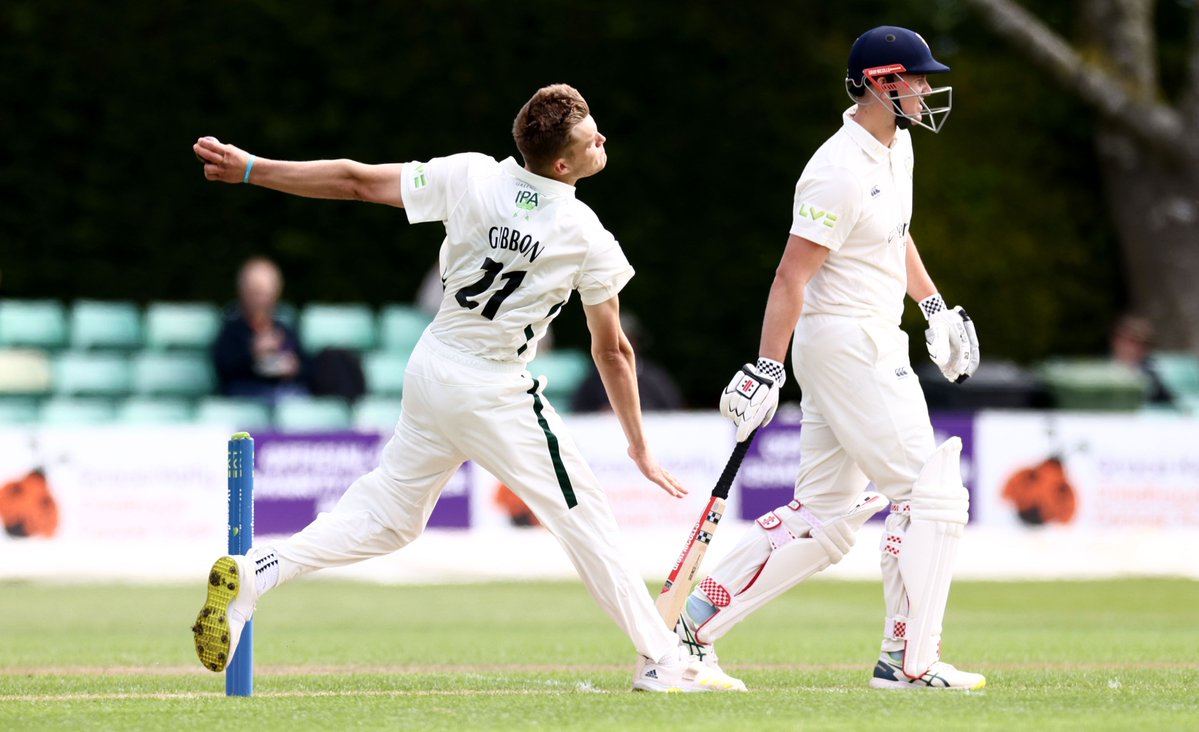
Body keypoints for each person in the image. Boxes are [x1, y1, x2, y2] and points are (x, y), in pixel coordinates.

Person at [189, 84, 745, 693]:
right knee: (585, 518)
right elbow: (613, 349)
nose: (603, 138)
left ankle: (256, 573)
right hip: (495, 386)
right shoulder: (586, 233)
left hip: (432, 368)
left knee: (389, 519)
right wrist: (639, 446)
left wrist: (250, 169)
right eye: (592, 135)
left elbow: (353, 180)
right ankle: (664, 661)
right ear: (562, 165)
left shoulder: (471, 175)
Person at [673, 27, 986, 691]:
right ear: (881, 82)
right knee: (928, 498)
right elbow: (791, 275)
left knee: (823, 517)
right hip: (847, 343)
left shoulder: (894, 148)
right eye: (918, 79)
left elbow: (893, 236)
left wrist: (932, 307)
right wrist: (765, 365)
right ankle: (907, 662)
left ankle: (690, 628)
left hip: (866, 338)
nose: (928, 91)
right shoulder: (835, 170)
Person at [211, 256, 309, 404]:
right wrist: (252, 353)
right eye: (255, 292)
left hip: (285, 395)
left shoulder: (284, 328)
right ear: (243, 292)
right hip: (245, 396)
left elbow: (306, 368)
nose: (260, 299)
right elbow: (224, 368)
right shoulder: (233, 328)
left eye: (264, 292)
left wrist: (294, 366)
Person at [571, 311, 683, 412]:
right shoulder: (593, 381)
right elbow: (580, 414)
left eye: (625, 339)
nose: (617, 346)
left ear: (635, 341)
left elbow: (673, 411)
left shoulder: (654, 378)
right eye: (609, 340)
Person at [1110, 313, 1172, 404]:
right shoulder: (1102, 368)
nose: (1131, 349)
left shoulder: (1153, 375)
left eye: (1139, 344)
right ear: (1116, 341)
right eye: (1127, 341)